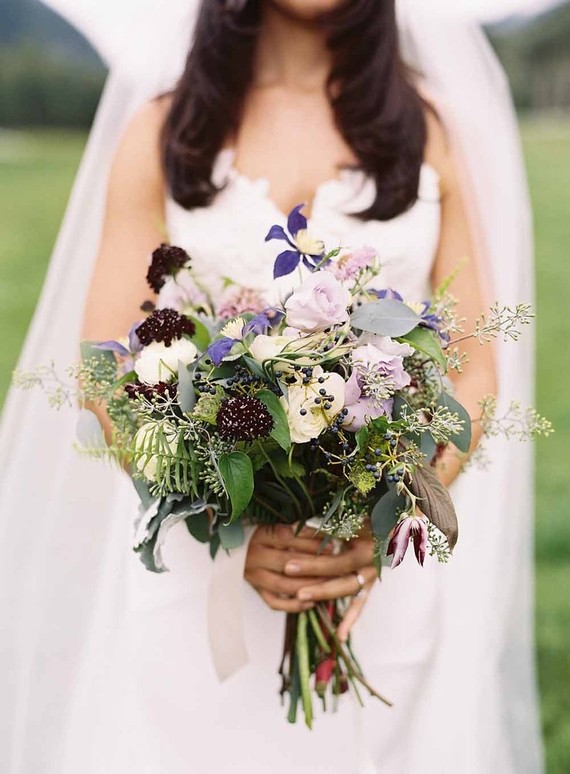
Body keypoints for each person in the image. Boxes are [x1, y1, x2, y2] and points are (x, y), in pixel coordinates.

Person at [0, 1, 542, 772]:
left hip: (375, 583)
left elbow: (475, 369)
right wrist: (224, 523)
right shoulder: (163, 129)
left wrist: (385, 515)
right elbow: (107, 369)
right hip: (204, 583)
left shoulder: (432, 129)